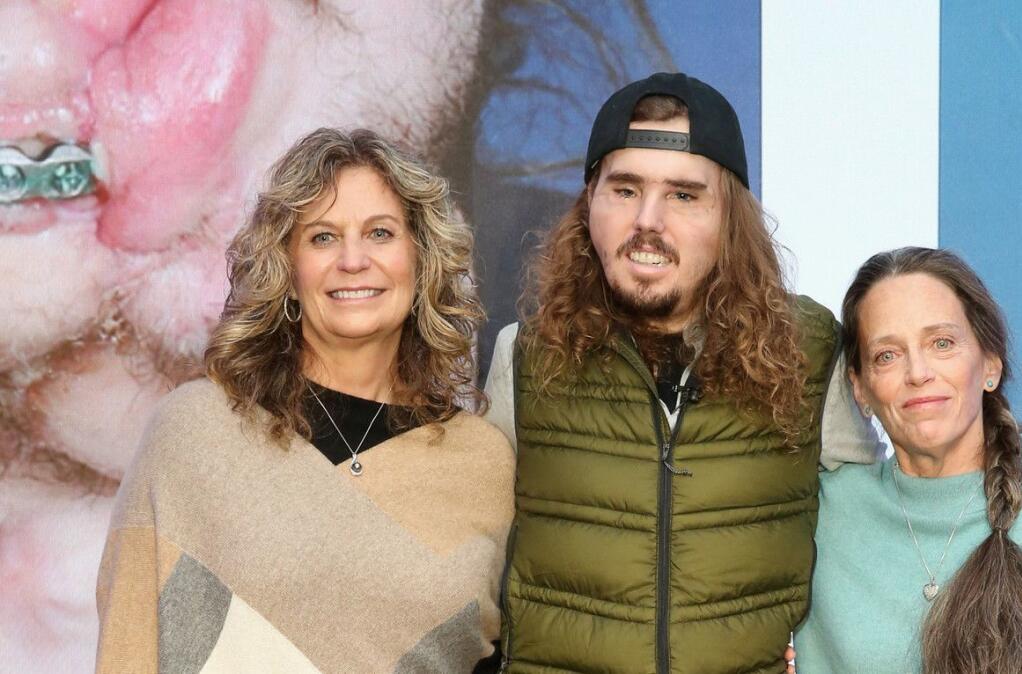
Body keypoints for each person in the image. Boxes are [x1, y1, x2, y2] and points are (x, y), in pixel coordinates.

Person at [483, 72, 880, 673]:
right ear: (589, 203)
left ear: (730, 218)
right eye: (624, 189)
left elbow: (867, 540)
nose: (648, 220)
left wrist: (826, 646)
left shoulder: (806, 347)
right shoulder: (525, 355)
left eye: (684, 195)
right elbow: (472, 571)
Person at [94, 128, 514, 672]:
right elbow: (128, 647)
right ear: (287, 272)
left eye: (380, 233)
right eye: (322, 238)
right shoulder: (194, 433)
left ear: (422, 259)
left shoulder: (483, 461)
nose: (353, 260)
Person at [792, 247, 1022, 673]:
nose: (918, 372)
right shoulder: (822, 509)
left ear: (990, 365)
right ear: (861, 388)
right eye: (887, 355)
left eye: (942, 343)